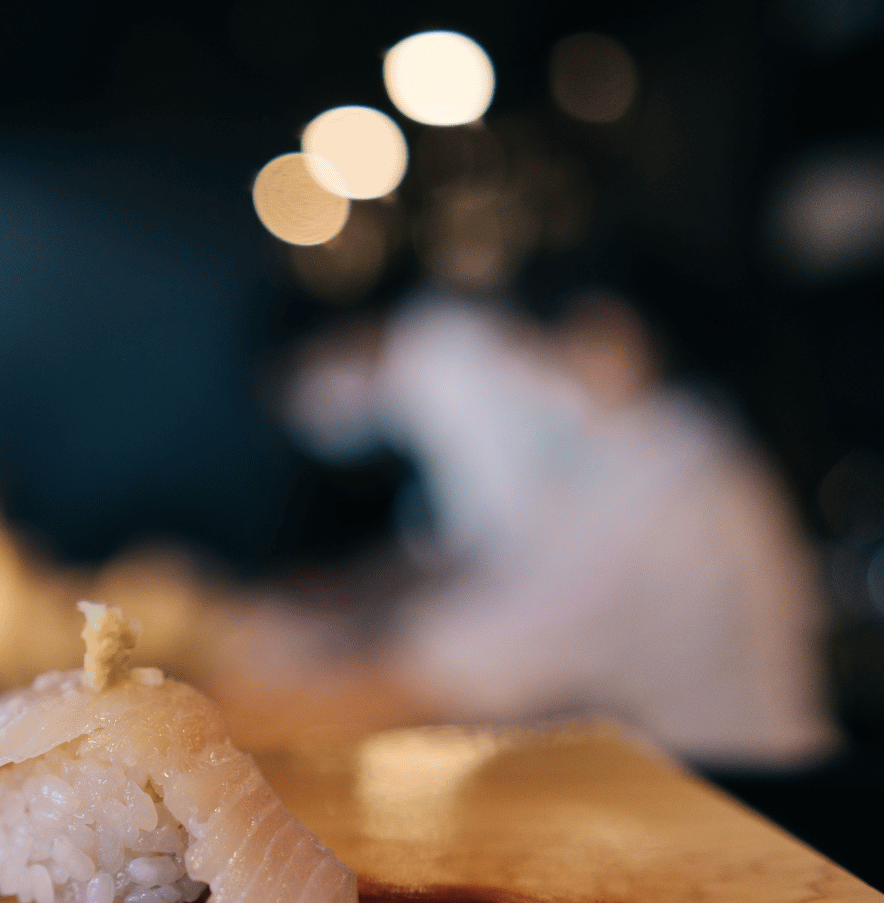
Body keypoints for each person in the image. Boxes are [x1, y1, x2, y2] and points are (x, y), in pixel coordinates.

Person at [213, 289, 838, 770]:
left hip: (755, 814)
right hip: (730, 789)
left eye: (525, 348)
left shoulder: (656, 492)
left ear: (619, 332)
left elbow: (433, 681)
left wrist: (216, 705)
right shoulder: (677, 450)